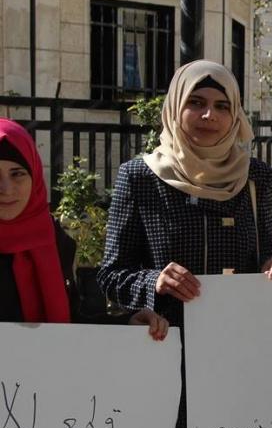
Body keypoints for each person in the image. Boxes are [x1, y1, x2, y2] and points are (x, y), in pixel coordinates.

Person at [97, 60, 272, 428]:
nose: (209, 116)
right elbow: (110, 274)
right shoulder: (140, 177)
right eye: (197, 103)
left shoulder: (254, 178)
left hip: (237, 358)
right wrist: (153, 281)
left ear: (236, 114)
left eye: (222, 106)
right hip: (166, 356)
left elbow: (264, 253)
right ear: (175, 108)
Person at [0, 119, 166, 335]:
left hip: (44, 357)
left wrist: (127, 323)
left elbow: (70, 321)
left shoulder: (50, 238)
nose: (6, 188)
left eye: (17, 174)